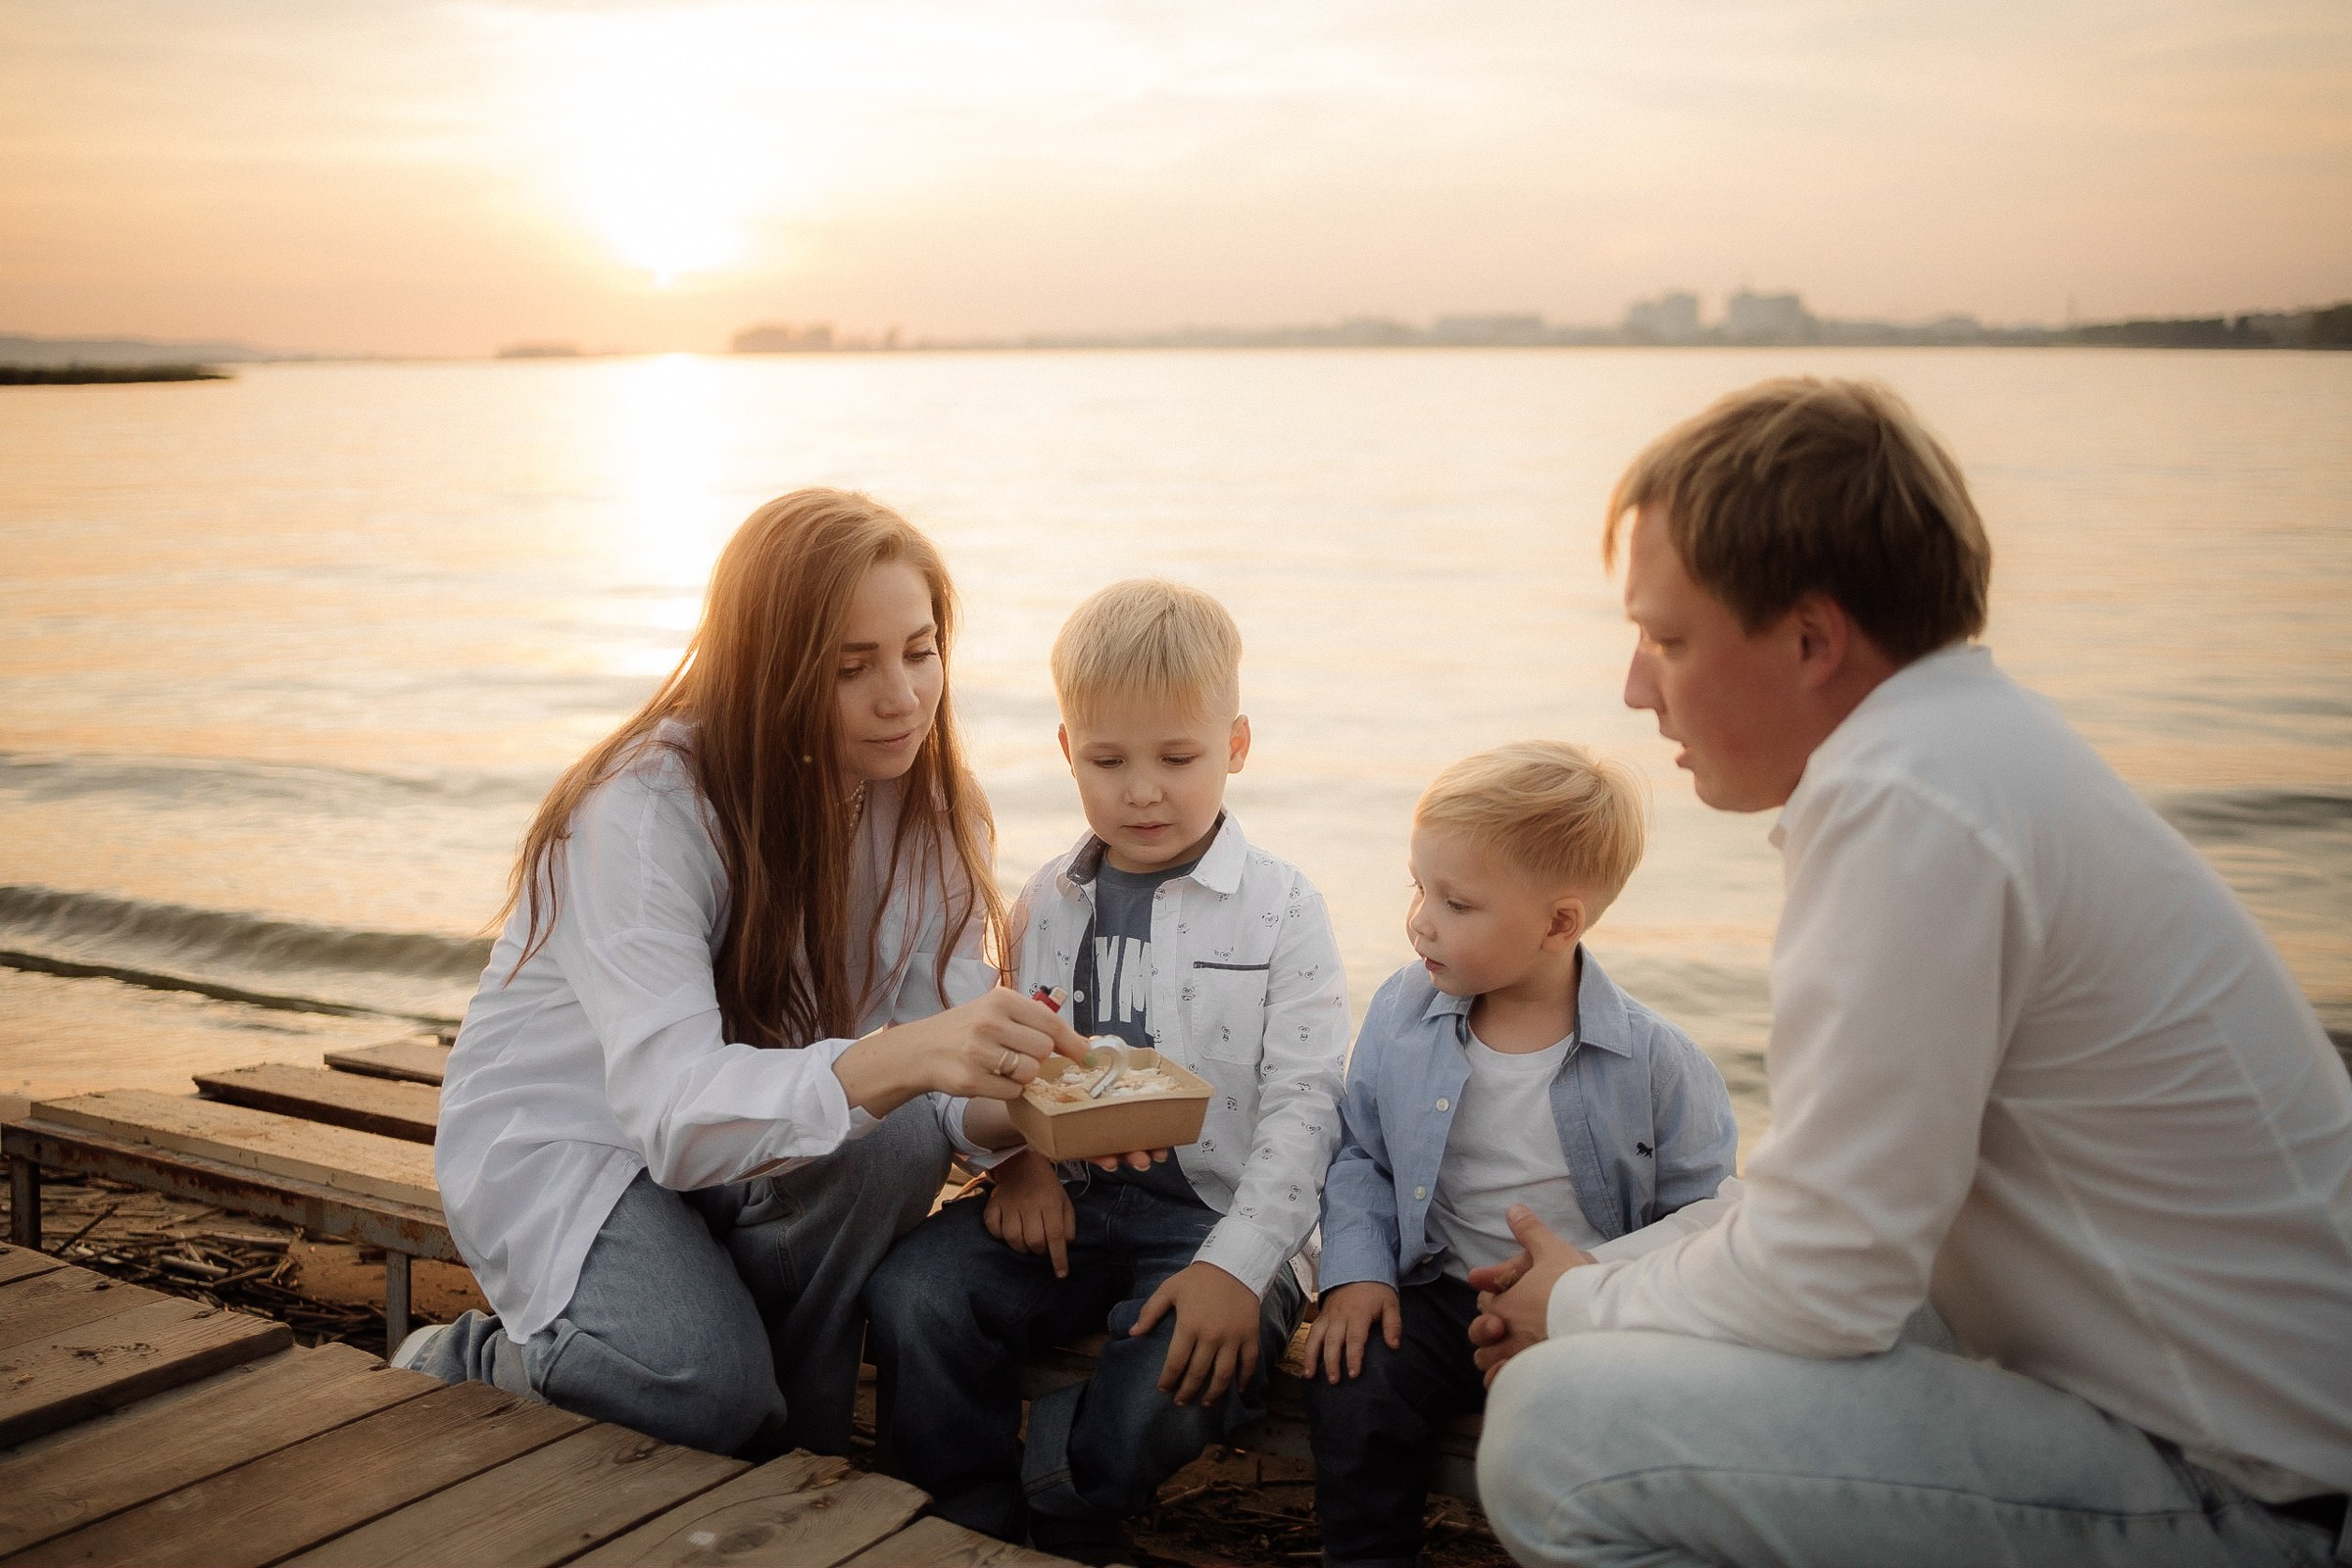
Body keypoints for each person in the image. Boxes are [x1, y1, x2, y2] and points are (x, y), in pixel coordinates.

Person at [1465, 378, 2352, 1567]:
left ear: (1811, 639)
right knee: (1620, 1317)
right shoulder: (1965, 754)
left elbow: (1829, 1280)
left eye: (1669, 638)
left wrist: (1573, 1307)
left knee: (1556, 1433)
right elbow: (1831, 1210)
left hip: (2259, 1495)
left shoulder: (1905, 801)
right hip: (2217, 1417)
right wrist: (1594, 1279)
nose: (1637, 686)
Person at [400, 489, 1093, 1456]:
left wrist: (1042, 1107)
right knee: (697, 1387)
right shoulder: (645, 810)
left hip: (756, 1139)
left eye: (919, 649)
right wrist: (909, 1054)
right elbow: (673, 1116)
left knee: (891, 1141)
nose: (901, 695)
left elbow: (936, 1084)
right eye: (853, 666)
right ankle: (463, 1362)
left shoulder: (926, 808)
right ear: (771, 670)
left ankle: (787, 1440)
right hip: (578, 1141)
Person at [864, 578, 1348, 1564]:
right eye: (1107, 759)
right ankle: (964, 1520)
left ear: (1237, 747)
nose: (1142, 789)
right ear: (1065, 752)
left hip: (1219, 1215)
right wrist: (1020, 1168)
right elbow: (1011, 1066)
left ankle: (1070, 1499)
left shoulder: (1284, 910)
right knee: (916, 1293)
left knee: (1190, 1352)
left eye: (1178, 758)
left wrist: (1236, 1264)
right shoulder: (1047, 899)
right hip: (1073, 1202)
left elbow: (1308, 1108)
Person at [1305, 740, 1736, 1568]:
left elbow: (1705, 1217)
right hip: (1437, 1291)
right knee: (1353, 1387)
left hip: (1585, 1314)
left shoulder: (1655, 1060)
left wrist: (1591, 1292)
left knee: (1598, 1436)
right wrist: (1355, 1273)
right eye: (1419, 887)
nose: (1422, 919)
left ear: (1559, 923)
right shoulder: (1403, 1010)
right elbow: (1361, 1151)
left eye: (1457, 903)